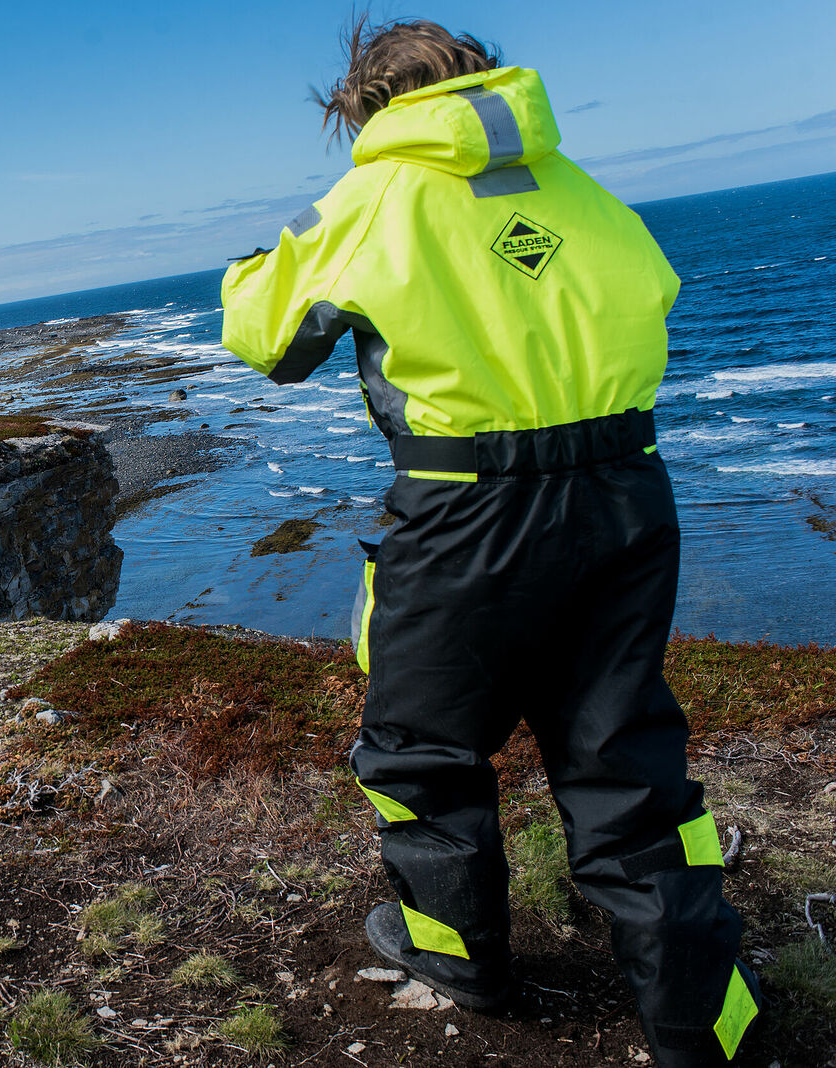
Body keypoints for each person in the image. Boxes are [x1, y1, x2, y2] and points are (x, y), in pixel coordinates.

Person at [219, 18, 758, 1067]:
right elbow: (654, 296)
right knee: (626, 762)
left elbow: (265, 338)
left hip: (467, 508)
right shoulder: (584, 190)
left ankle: (461, 959)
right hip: (625, 493)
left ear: (365, 108)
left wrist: (279, 243)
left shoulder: (372, 197)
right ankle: (706, 1032)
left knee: (418, 750)